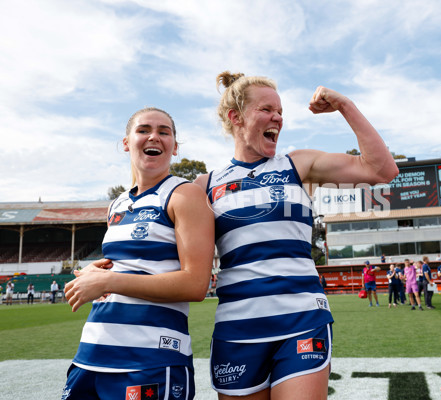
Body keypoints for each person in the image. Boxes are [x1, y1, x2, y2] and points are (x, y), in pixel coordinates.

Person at [195, 71, 398, 399]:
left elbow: (382, 170)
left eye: (280, 112)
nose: (277, 117)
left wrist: (345, 105)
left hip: (301, 320)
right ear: (236, 117)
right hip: (237, 328)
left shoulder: (297, 165)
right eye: (266, 110)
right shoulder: (205, 185)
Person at [62, 107, 215, 400]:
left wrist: (109, 282)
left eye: (164, 131)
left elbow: (196, 284)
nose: (153, 137)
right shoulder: (116, 205)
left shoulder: (184, 194)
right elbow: (127, 268)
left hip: (150, 360)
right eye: (143, 130)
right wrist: (95, 275)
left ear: (174, 146)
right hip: (90, 355)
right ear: (126, 142)